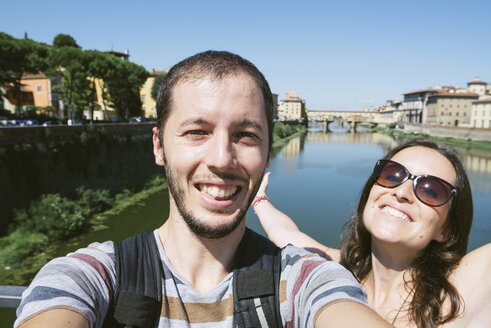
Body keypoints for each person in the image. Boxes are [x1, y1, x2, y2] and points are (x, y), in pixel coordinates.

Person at [14, 51, 390, 328]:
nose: (222, 159)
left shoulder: (303, 279)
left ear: (268, 152)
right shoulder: (92, 275)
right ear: (159, 146)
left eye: (246, 135)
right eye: (197, 132)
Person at [254, 139, 491, 328]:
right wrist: (258, 198)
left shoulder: (457, 295)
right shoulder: (341, 272)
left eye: (431, 190)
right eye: (392, 174)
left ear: (446, 230)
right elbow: (285, 233)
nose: (402, 192)